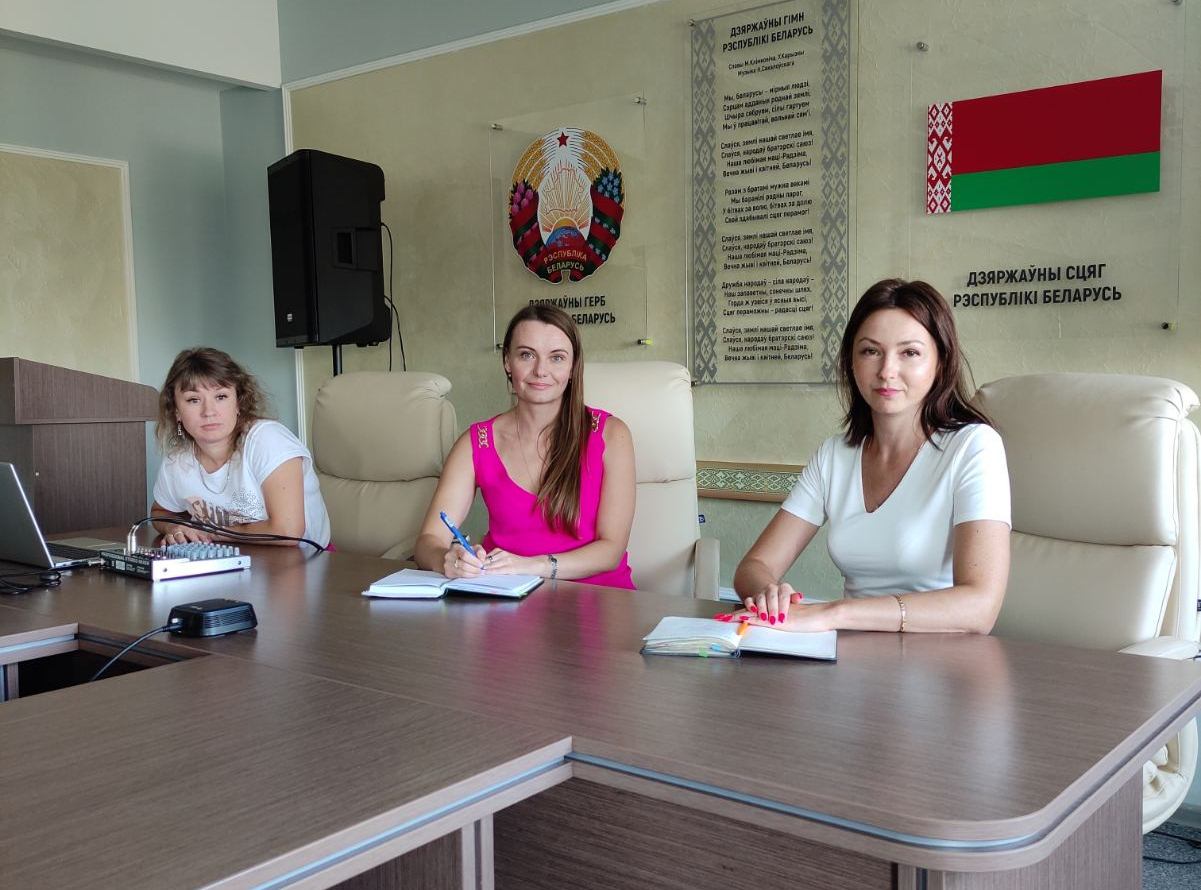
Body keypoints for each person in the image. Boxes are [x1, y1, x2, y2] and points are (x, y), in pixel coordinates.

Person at [728, 279, 1010, 633]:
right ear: (851, 362)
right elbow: (754, 566)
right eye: (870, 351)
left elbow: (980, 607)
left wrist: (833, 613)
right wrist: (768, 593)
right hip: (850, 652)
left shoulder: (974, 446)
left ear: (940, 362)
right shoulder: (835, 455)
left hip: (939, 652)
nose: (887, 371)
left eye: (910, 353)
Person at [415, 304, 636, 587]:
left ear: (573, 367)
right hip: (507, 598)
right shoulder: (477, 441)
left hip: (600, 599)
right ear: (507, 362)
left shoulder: (610, 435)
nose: (541, 370)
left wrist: (532, 566)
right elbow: (429, 540)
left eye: (557, 358)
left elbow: (611, 550)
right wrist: (447, 559)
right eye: (526, 355)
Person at [151, 347, 330, 548]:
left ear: (238, 402)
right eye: (193, 400)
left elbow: (288, 531)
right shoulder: (177, 460)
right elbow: (160, 512)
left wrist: (210, 533)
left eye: (221, 397)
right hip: (234, 559)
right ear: (176, 411)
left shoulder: (268, 440)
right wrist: (175, 528)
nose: (209, 411)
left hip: (306, 561)